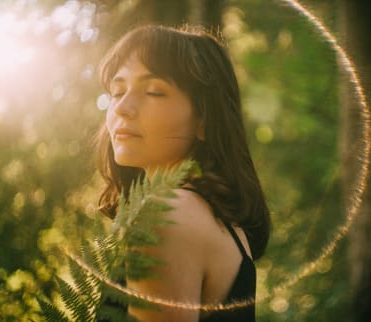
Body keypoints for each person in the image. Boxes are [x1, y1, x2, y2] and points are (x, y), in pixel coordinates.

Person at [94, 24, 271, 322]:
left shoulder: (166, 214)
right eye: (117, 91)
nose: (123, 107)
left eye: (153, 91)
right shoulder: (211, 215)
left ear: (204, 120)